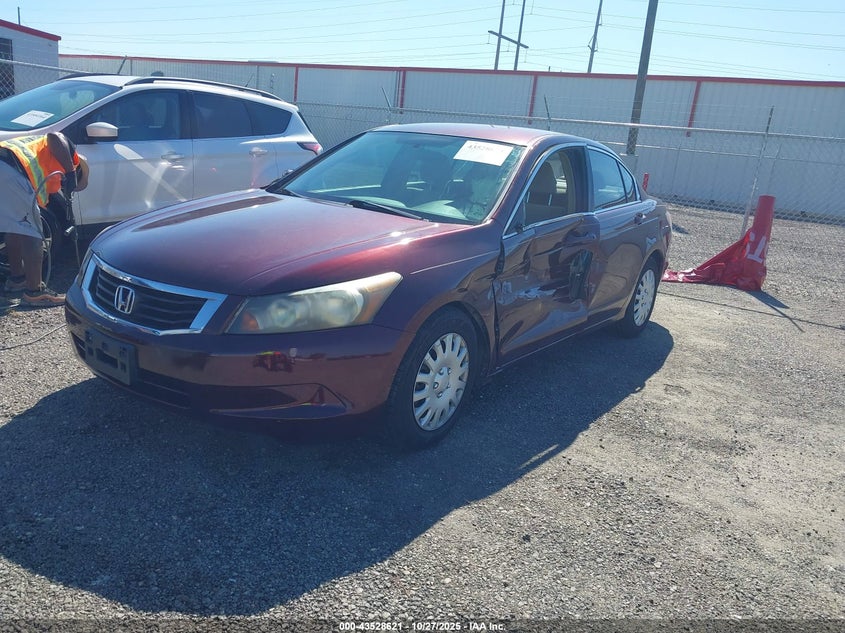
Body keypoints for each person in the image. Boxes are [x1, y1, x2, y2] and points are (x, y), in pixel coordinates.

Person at [0, 132, 89, 307]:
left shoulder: (43, 159)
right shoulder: (69, 155)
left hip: (6, 165)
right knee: (33, 232)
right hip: (12, 169)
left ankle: (17, 279)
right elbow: (54, 136)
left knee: (16, 226)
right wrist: (70, 172)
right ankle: (35, 292)